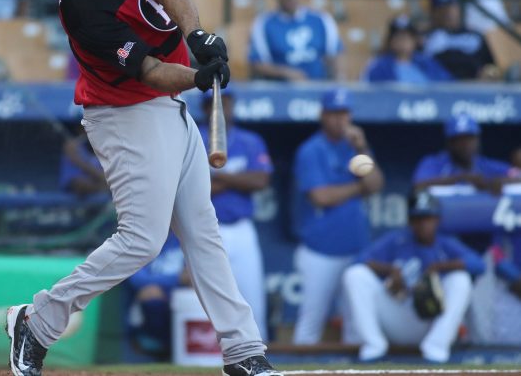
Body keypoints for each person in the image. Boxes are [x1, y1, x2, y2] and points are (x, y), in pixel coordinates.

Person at [6, 0, 281, 376]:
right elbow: (150, 71)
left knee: (202, 231)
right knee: (142, 240)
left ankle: (243, 351)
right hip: (123, 112)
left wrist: (198, 36)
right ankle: (37, 321)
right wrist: (199, 76)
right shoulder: (83, 9)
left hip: (166, 107)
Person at [343, 192, 484, 363]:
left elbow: (479, 265)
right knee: (355, 275)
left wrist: (439, 267)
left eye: (428, 218)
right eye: (418, 219)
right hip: (398, 313)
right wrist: (389, 271)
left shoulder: (445, 244)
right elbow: (359, 260)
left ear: (437, 220)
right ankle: (373, 346)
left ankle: (436, 348)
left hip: (428, 320)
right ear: (410, 221)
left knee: (460, 279)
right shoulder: (397, 240)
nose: (423, 224)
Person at [292, 88, 385, 345]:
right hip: (319, 251)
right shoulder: (311, 150)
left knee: (356, 324)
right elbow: (321, 197)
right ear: (323, 115)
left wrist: (362, 148)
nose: (340, 120)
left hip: (355, 249)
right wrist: (358, 188)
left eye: (344, 113)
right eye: (334, 113)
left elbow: (376, 184)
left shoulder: (356, 149)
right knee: (311, 323)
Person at [198, 87, 273, 340]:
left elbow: (260, 180)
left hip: (241, 230)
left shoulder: (250, 141)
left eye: (225, 103)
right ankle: (213, 360)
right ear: (205, 109)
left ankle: (258, 356)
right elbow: (193, 188)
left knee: (252, 298)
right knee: (206, 303)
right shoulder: (194, 138)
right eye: (214, 105)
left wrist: (220, 178)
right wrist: (236, 181)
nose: (220, 109)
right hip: (205, 230)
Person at [248, 0, 343, 82]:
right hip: (280, 92)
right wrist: (286, 73)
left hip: (318, 88)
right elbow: (257, 64)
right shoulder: (263, 23)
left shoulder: (321, 20)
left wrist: (338, 81)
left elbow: (335, 55)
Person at [412, 113, 519, 194]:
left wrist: (497, 182)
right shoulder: (434, 163)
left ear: (478, 140)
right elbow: (418, 186)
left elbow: (517, 176)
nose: (466, 145)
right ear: (449, 143)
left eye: (470, 139)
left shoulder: (485, 164)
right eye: (460, 140)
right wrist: (460, 178)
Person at [126, 232, 189, 359]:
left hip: (182, 301)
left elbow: (191, 277)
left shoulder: (191, 239)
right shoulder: (144, 239)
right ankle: (158, 347)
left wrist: (167, 287)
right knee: (150, 295)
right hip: (149, 303)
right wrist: (175, 280)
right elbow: (135, 276)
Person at [423, 0, 497, 80]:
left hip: (475, 88)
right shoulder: (424, 38)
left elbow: (492, 67)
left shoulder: (475, 36)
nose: (448, 12)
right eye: (442, 7)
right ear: (433, 11)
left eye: (452, 6)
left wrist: (487, 73)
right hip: (439, 89)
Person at [364, 15, 452, 84]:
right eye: (398, 37)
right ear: (390, 41)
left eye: (407, 37)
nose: (403, 41)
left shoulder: (427, 62)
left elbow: (447, 84)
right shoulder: (380, 66)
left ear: (414, 40)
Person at [59, 128, 107, 196]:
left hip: (98, 184)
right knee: (81, 184)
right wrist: (103, 182)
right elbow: (80, 186)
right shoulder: (72, 146)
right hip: (75, 189)